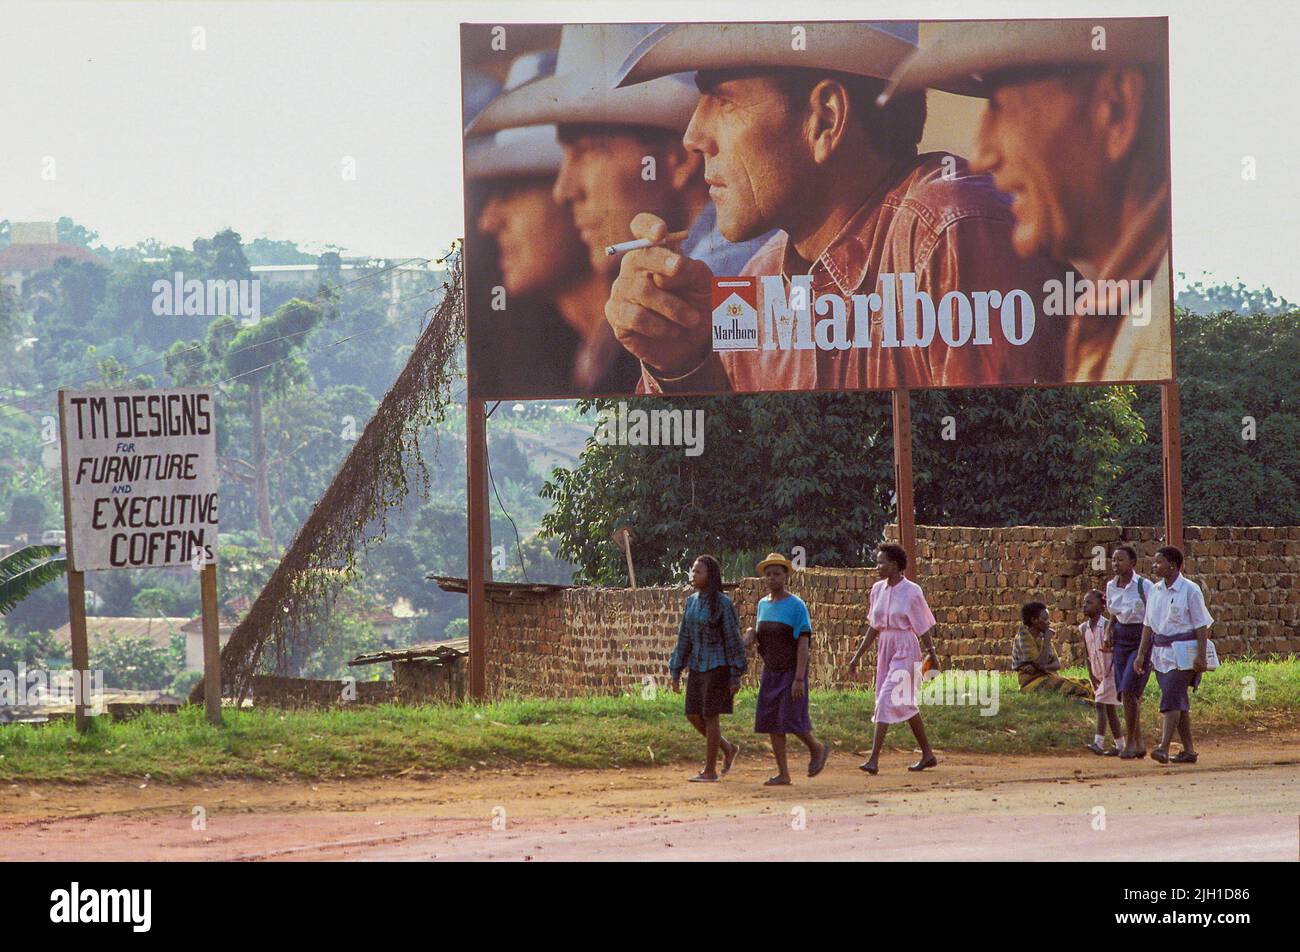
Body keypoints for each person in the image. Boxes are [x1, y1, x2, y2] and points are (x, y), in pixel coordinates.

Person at [607, 21, 1070, 395]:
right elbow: (724, 488)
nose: (693, 136)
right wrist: (682, 364)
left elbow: (1005, 481)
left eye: (724, 101)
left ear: (825, 119)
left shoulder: (951, 231)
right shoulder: (753, 280)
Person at [468, 25, 771, 387]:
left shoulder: (727, 277)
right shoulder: (713, 273)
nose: (563, 190)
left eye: (588, 151)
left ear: (677, 159)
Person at [880, 18, 1172, 382]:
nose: (983, 155)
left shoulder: (1159, 327)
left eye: (1001, 107)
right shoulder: (1135, 313)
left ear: (1116, 108)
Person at [847, 544, 940, 773]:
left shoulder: (912, 591)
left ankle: (873, 759)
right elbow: (873, 627)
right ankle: (928, 754)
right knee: (903, 701)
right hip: (886, 648)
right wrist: (857, 656)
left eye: (881, 562)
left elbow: (922, 626)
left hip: (906, 648)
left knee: (887, 699)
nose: (877, 567)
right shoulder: (877, 589)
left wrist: (932, 654)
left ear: (895, 565)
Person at [744, 553, 830, 786]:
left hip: (791, 671)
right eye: (768, 574)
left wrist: (799, 678)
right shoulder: (763, 604)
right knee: (772, 721)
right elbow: (761, 634)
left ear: (785, 576)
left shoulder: (796, 606)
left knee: (791, 717)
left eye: (777, 574)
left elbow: (803, 643)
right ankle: (783, 773)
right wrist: (751, 634)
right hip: (771, 670)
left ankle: (817, 747)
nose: (772, 578)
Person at [668, 554, 747, 782]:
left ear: (710, 575)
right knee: (692, 714)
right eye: (693, 571)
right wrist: (676, 670)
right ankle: (728, 748)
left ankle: (710, 770)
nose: (694, 575)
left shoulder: (723, 604)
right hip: (697, 665)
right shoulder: (691, 601)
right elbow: (684, 637)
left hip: (718, 665)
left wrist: (735, 674)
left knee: (711, 715)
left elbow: (733, 639)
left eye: (699, 572)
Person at [1132, 546, 1213, 765]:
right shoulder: (1155, 591)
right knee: (1178, 701)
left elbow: (1201, 625)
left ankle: (1163, 747)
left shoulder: (1190, 590)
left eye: (1159, 562)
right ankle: (1189, 750)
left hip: (1184, 653)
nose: (1154, 566)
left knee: (1170, 697)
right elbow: (1148, 625)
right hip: (1160, 654)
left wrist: (1201, 656)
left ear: (1173, 565)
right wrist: (1141, 654)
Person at [1103, 544, 1152, 759]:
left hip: (1141, 638)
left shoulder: (1144, 586)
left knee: (1130, 688)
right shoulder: (1111, 586)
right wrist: (1108, 630)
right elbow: (1114, 612)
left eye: (1120, 559)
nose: (1116, 563)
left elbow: (1151, 617)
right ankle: (1137, 742)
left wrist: (1143, 652)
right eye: (1113, 560)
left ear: (1132, 563)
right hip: (1121, 640)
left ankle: (1132, 741)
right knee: (1125, 693)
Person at [1012, 601, 1094, 699]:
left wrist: (1042, 667)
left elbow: (1056, 665)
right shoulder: (1024, 636)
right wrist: (1046, 641)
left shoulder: (1043, 636)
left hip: (1050, 677)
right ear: (1034, 620)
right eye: (1045, 619)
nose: (1049, 622)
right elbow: (1038, 662)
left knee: (1086, 683)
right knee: (1079, 689)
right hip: (1032, 683)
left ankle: (1089, 700)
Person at [1080, 589, 1122, 755]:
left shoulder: (1107, 626)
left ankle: (1098, 742)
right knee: (1110, 709)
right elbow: (1087, 653)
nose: (1085, 606)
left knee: (1099, 704)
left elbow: (1116, 650)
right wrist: (1091, 674)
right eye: (1084, 603)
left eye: (1090, 603)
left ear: (1102, 607)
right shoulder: (1083, 628)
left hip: (1110, 672)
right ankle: (1120, 745)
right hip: (1097, 673)